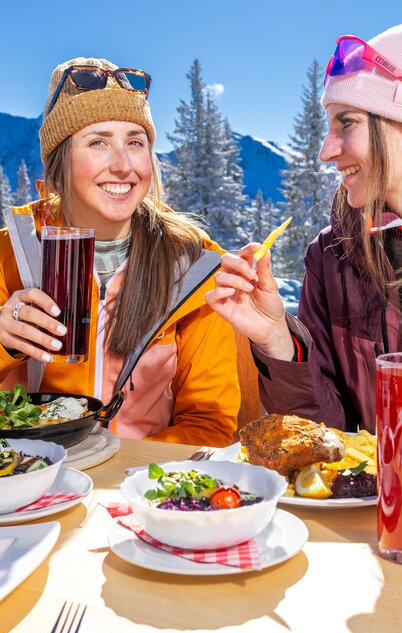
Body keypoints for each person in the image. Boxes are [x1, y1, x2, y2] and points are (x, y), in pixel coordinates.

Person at [0, 57, 240, 445]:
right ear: (60, 160)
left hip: (139, 476)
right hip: (31, 472)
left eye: (135, 142)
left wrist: (126, 469)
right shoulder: (8, 253)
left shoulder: (194, 266)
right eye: (98, 142)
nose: (123, 165)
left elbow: (208, 424)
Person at [206, 24, 402, 435]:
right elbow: (326, 434)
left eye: (347, 123)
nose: (326, 151)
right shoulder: (333, 257)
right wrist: (277, 338)